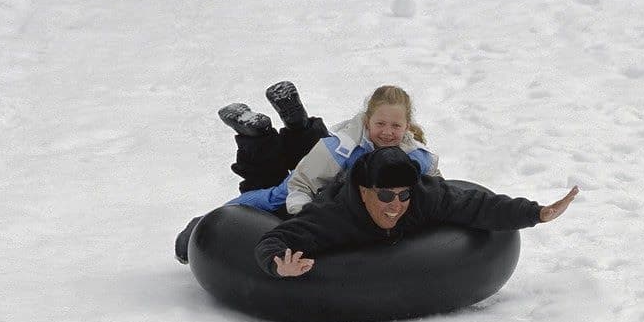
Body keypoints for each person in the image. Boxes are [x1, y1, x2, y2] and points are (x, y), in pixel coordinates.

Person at [175, 83, 441, 264]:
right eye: (380, 124)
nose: (387, 132)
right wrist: (305, 220)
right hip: (317, 186)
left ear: (407, 126)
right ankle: (201, 222)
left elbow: (437, 187)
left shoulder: (416, 156)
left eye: (395, 125)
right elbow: (300, 183)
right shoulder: (342, 148)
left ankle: (296, 122)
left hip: (346, 198)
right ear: (367, 121)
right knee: (275, 196)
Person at [256, 146, 579, 278]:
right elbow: (279, 236)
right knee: (271, 193)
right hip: (315, 190)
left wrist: (537, 213)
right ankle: (265, 141)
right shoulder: (336, 214)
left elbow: (478, 205)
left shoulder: (425, 196)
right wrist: (277, 265)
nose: (396, 205)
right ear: (365, 192)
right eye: (385, 196)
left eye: (403, 195)